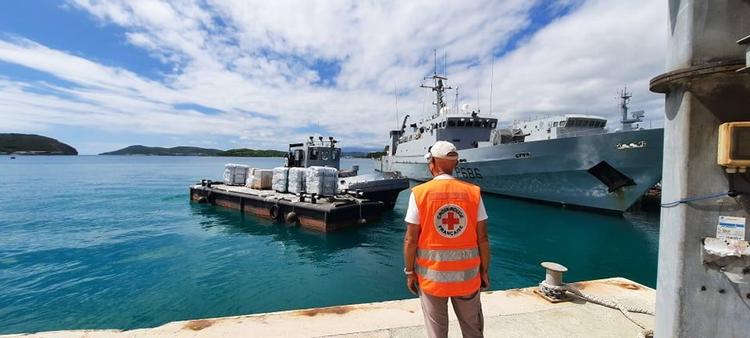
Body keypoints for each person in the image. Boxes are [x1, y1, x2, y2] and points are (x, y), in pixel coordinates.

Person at [403, 140, 490, 338]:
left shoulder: (419, 193)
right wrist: (484, 271)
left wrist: (409, 272)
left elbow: (410, 240)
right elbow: (483, 238)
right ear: (456, 164)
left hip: (432, 280)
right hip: (468, 279)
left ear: (432, 162)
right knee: (473, 331)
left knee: (437, 333)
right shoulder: (473, 193)